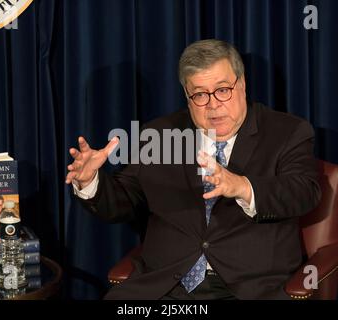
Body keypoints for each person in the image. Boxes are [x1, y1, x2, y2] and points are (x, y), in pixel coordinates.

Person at [66, 39, 321, 300]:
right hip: (165, 287)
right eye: (200, 94)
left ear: (242, 84)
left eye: (223, 90)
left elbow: (303, 192)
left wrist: (242, 186)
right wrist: (91, 181)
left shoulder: (287, 132)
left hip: (249, 288)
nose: (213, 104)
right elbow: (126, 199)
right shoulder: (159, 135)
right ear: (187, 97)